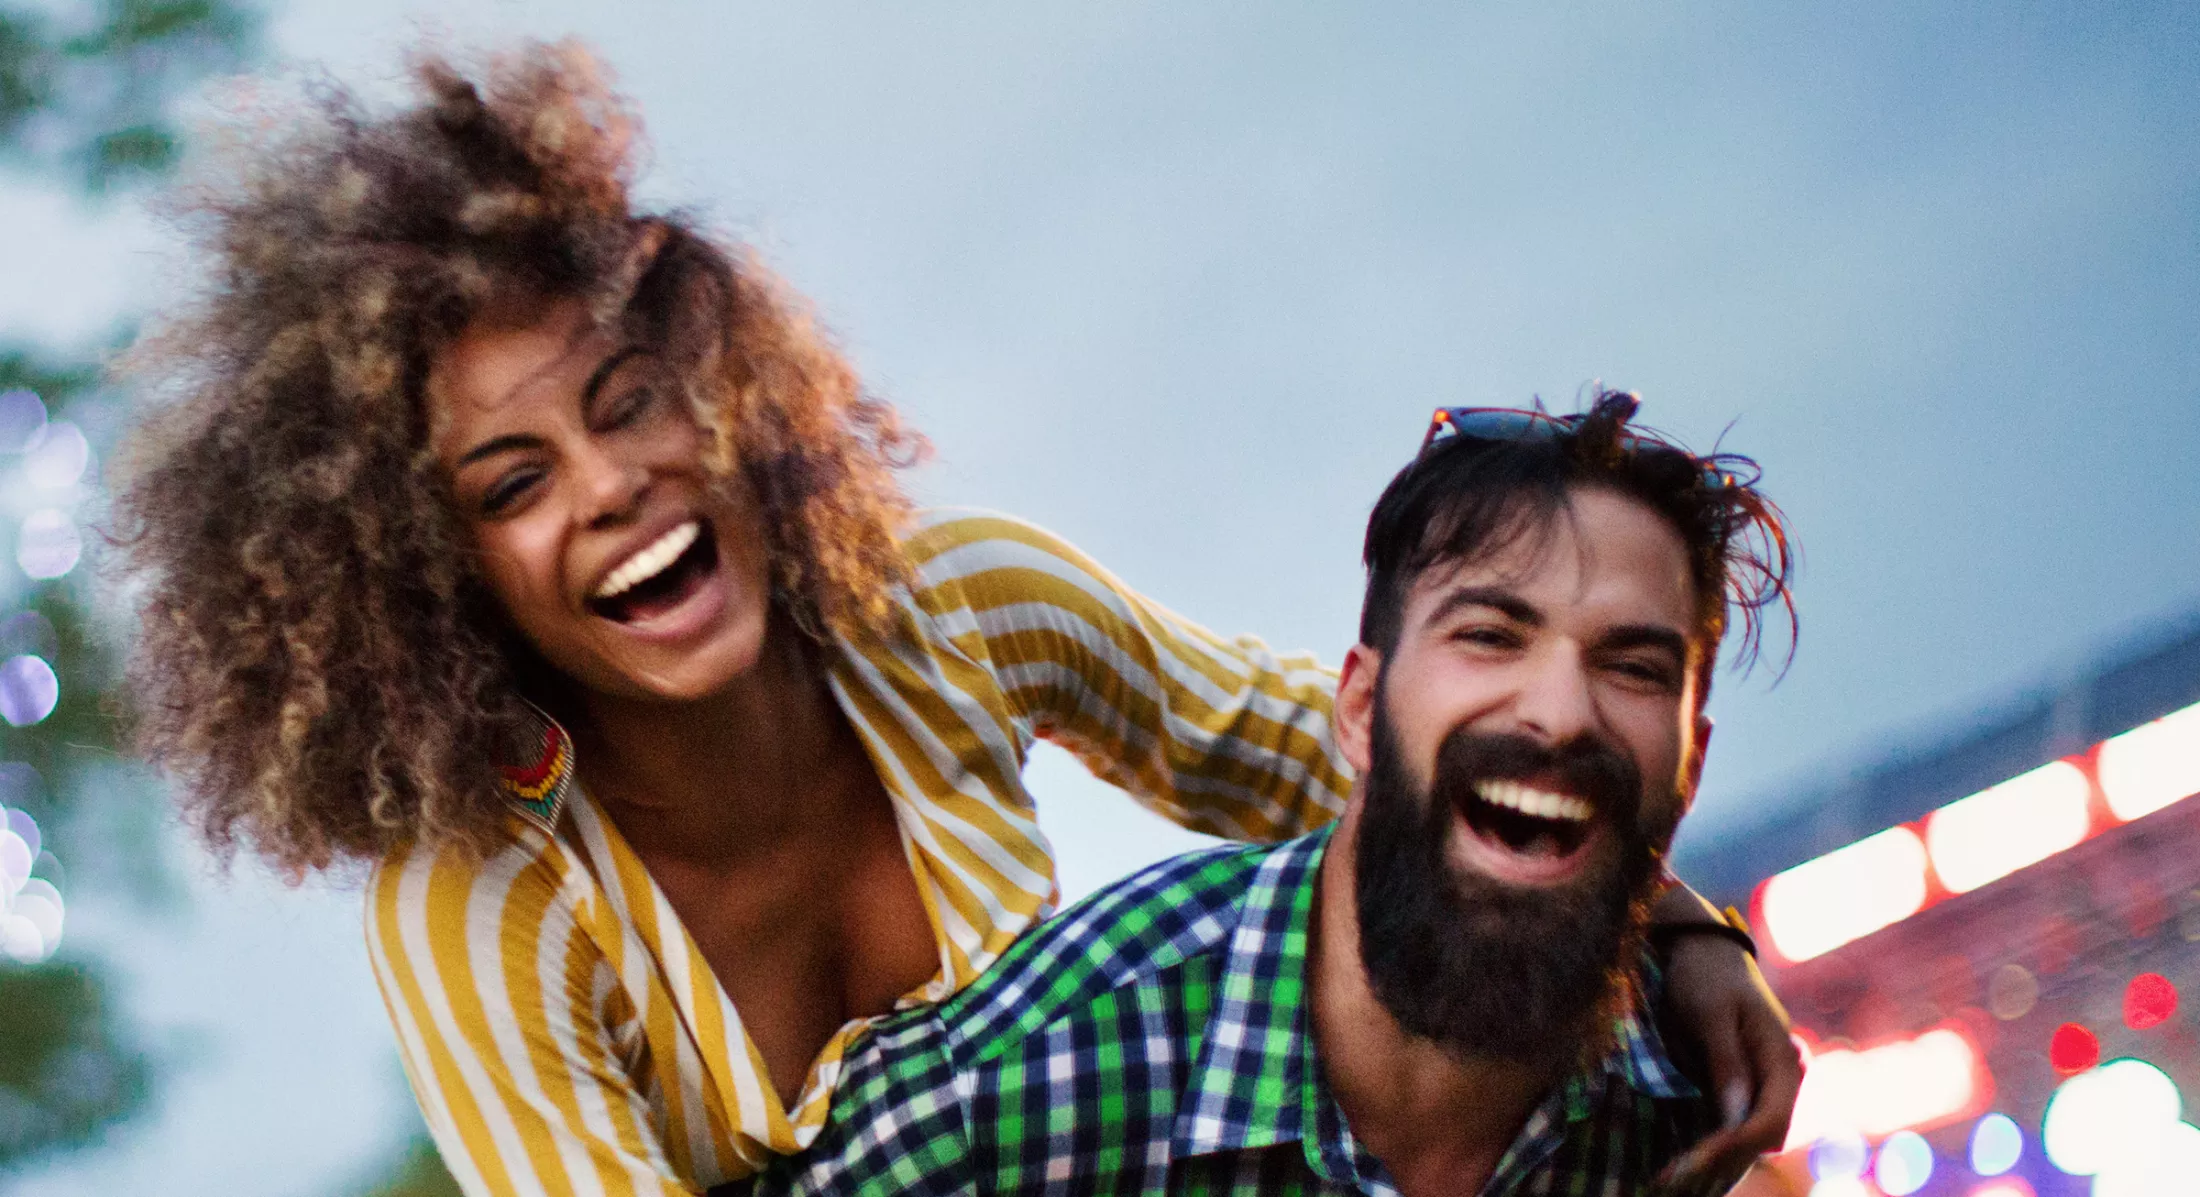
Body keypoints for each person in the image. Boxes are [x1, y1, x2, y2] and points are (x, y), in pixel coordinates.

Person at [114, 42, 1796, 1196]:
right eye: (510, 482)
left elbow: (1372, 753)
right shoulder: (477, 905)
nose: (611, 484)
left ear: (721, 388)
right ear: (429, 577)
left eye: (629, 400)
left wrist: (1679, 927)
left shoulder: (958, 606)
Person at [737, 392, 1797, 1197]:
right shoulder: (1022, 1088)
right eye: (1488, 635)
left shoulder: (1681, 1107)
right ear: (1355, 710)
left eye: (1633, 667)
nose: (1562, 711)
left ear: (1689, 758)